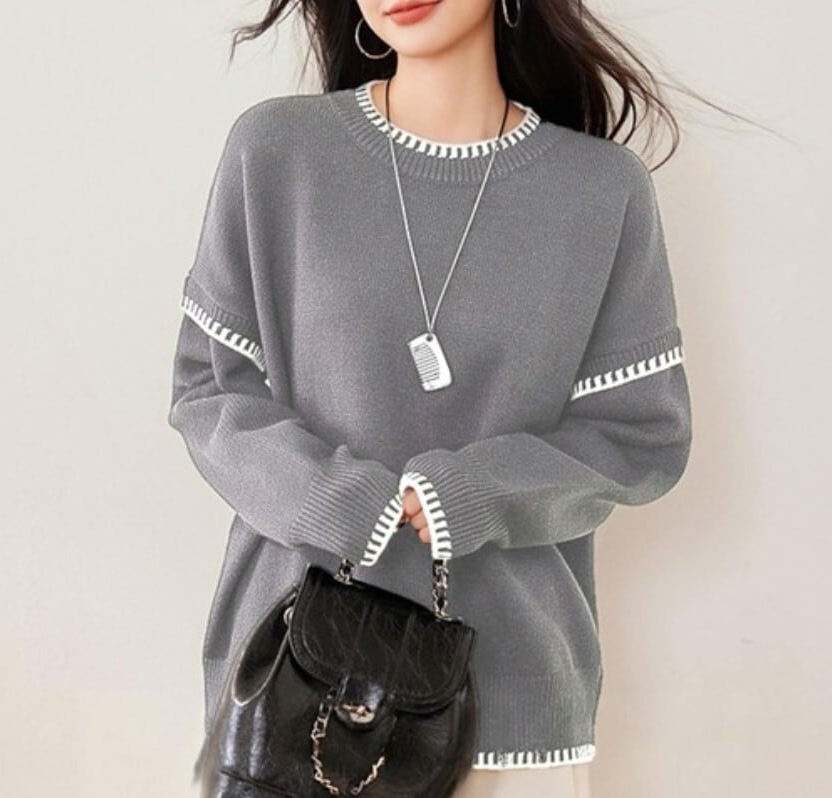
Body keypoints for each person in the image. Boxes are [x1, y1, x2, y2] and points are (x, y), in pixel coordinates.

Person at [167, 1, 694, 795]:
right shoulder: (278, 152)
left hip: (511, 700)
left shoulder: (598, 190)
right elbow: (209, 387)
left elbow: (639, 436)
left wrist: (473, 491)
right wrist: (335, 497)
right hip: (294, 696)